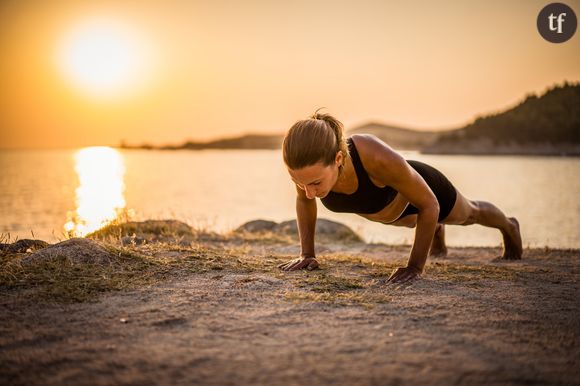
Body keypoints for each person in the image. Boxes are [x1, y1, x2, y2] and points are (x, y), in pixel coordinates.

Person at [277, 110, 523, 283]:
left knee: (469, 213)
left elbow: (429, 204)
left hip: (424, 190)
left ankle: (509, 226)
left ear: (338, 160)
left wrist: (415, 267)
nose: (309, 191)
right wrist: (307, 254)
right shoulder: (307, 171)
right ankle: (435, 231)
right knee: (412, 220)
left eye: (315, 183)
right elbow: (304, 201)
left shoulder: (374, 156)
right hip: (392, 212)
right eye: (298, 182)